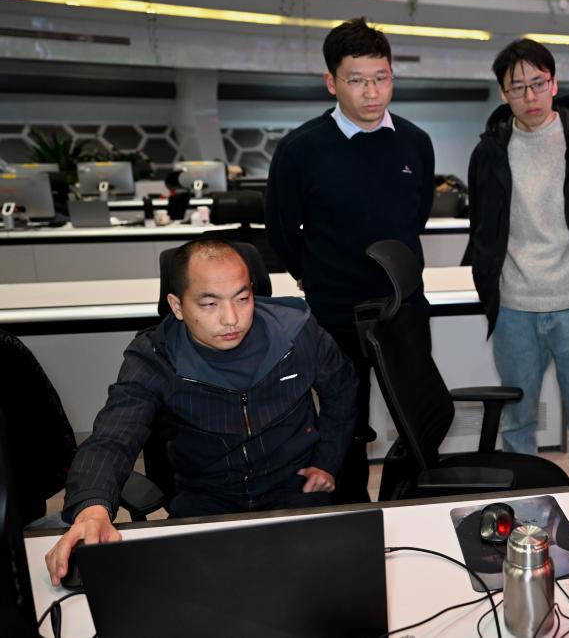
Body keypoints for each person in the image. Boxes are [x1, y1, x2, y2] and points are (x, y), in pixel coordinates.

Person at [45, 239, 357, 585]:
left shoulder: (297, 332)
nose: (231, 318)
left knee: (323, 586)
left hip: (293, 489)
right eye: (209, 304)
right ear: (177, 306)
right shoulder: (156, 356)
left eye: (242, 298)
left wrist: (328, 459)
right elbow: (113, 436)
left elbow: (343, 389)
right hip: (207, 499)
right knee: (195, 596)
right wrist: (91, 507)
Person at [265, 18, 435, 503]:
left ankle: (410, 504)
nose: (372, 92)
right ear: (331, 82)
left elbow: (416, 216)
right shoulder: (301, 149)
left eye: (382, 78)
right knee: (346, 421)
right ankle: (353, 513)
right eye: (357, 80)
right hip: (336, 313)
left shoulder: (415, 142)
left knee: (419, 415)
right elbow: (280, 229)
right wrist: (311, 274)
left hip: (403, 308)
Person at [467, 38, 569, 484]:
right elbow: (482, 228)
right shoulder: (489, 153)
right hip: (515, 309)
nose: (530, 96)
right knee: (517, 424)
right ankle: (526, 504)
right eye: (518, 88)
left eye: (538, 83)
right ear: (503, 93)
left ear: (554, 83)